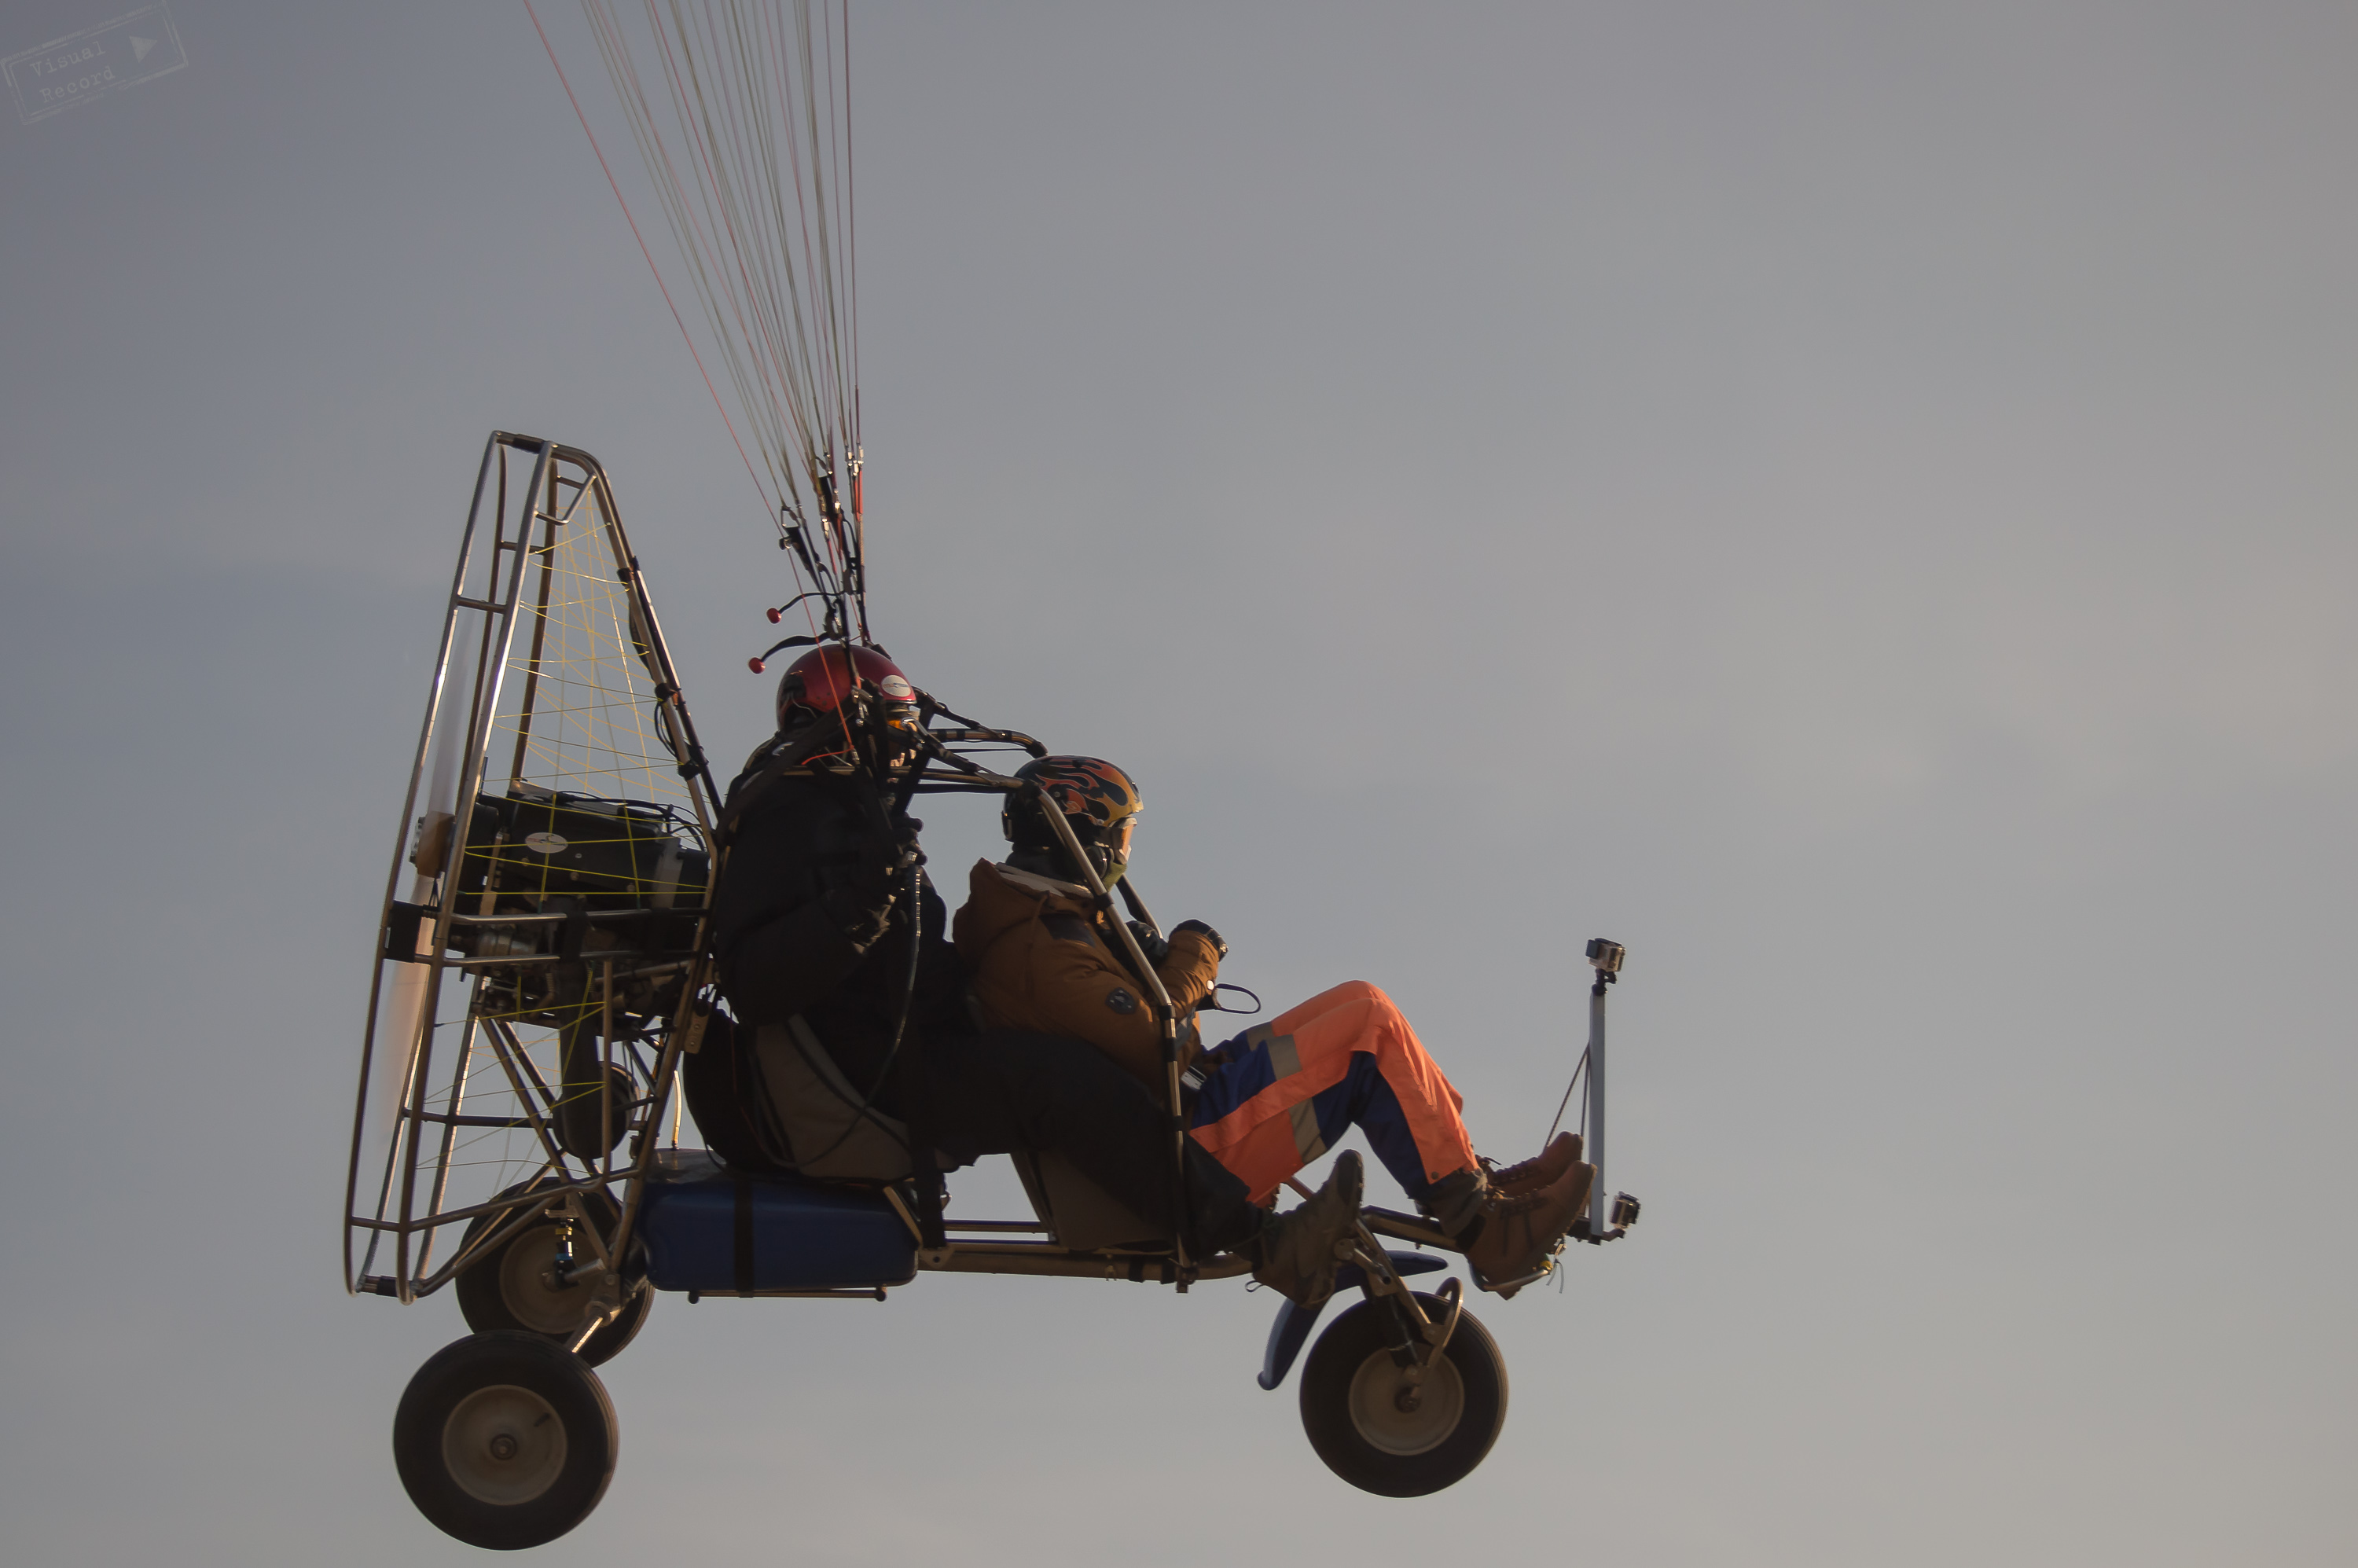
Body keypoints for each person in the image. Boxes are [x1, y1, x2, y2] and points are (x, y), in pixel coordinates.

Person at [689, 647, 1366, 1306]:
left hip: (907, 1046)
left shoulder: (837, 814)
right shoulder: (784, 821)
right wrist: (863, 904)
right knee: (1067, 1082)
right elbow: (755, 979)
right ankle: (1266, 1244)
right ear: (848, 723)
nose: (907, 747)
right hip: (879, 1075)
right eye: (896, 728)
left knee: (1066, 1056)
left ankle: (1233, 1196)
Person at [951, 755, 1594, 1295]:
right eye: (1122, 834)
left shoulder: (1041, 920)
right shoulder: (1039, 945)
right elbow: (1159, 1048)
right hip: (1188, 1146)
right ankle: (1486, 1227)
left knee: (1360, 1000)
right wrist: (1192, 962)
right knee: (1366, 1029)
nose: (1124, 851)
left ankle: (1469, 1181)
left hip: (1186, 1107)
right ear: (1085, 835)